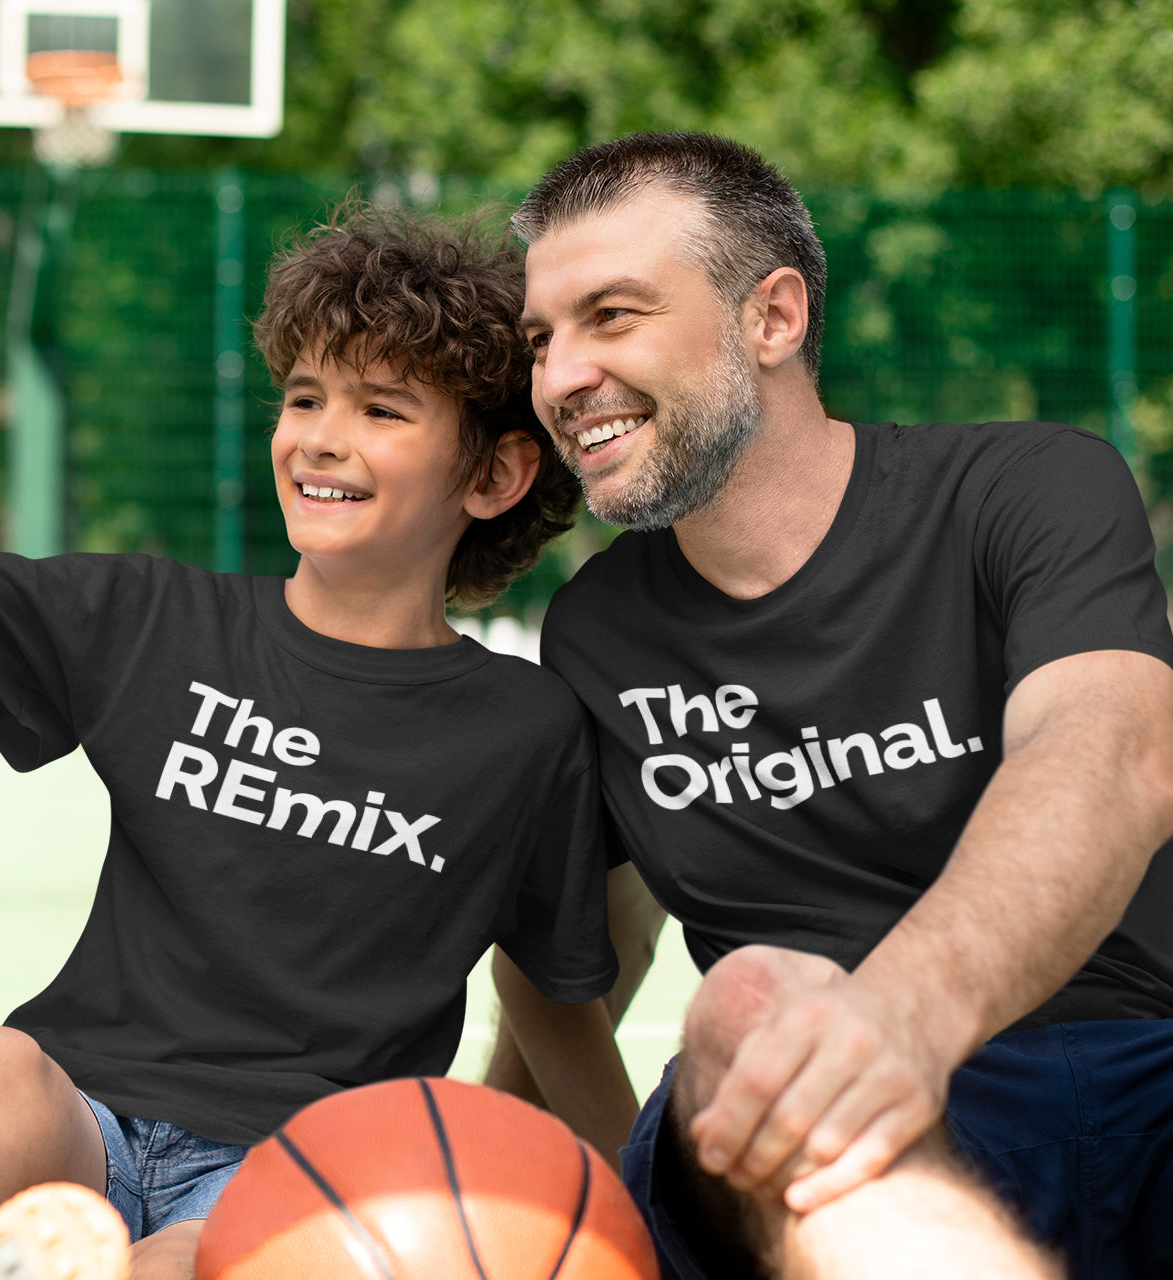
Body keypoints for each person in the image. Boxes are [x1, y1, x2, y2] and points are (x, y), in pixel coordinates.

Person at [0, 200, 634, 1280]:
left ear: (492, 475)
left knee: (195, 1254)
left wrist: (634, 1183)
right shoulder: (155, 620)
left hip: (301, 1167)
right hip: (76, 1114)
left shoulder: (527, 731)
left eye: (381, 408)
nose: (320, 435)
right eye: (302, 397)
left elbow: (547, 983)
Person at [489, 131, 1173, 1280]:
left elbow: (1107, 752)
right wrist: (485, 1162)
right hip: (799, 1139)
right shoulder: (596, 631)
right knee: (752, 995)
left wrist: (901, 1013)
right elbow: (582, 944)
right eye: (541, 339)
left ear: (773, 318)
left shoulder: (1026, 491)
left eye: (610, 316)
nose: (558, 376)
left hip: (1128, 1075)